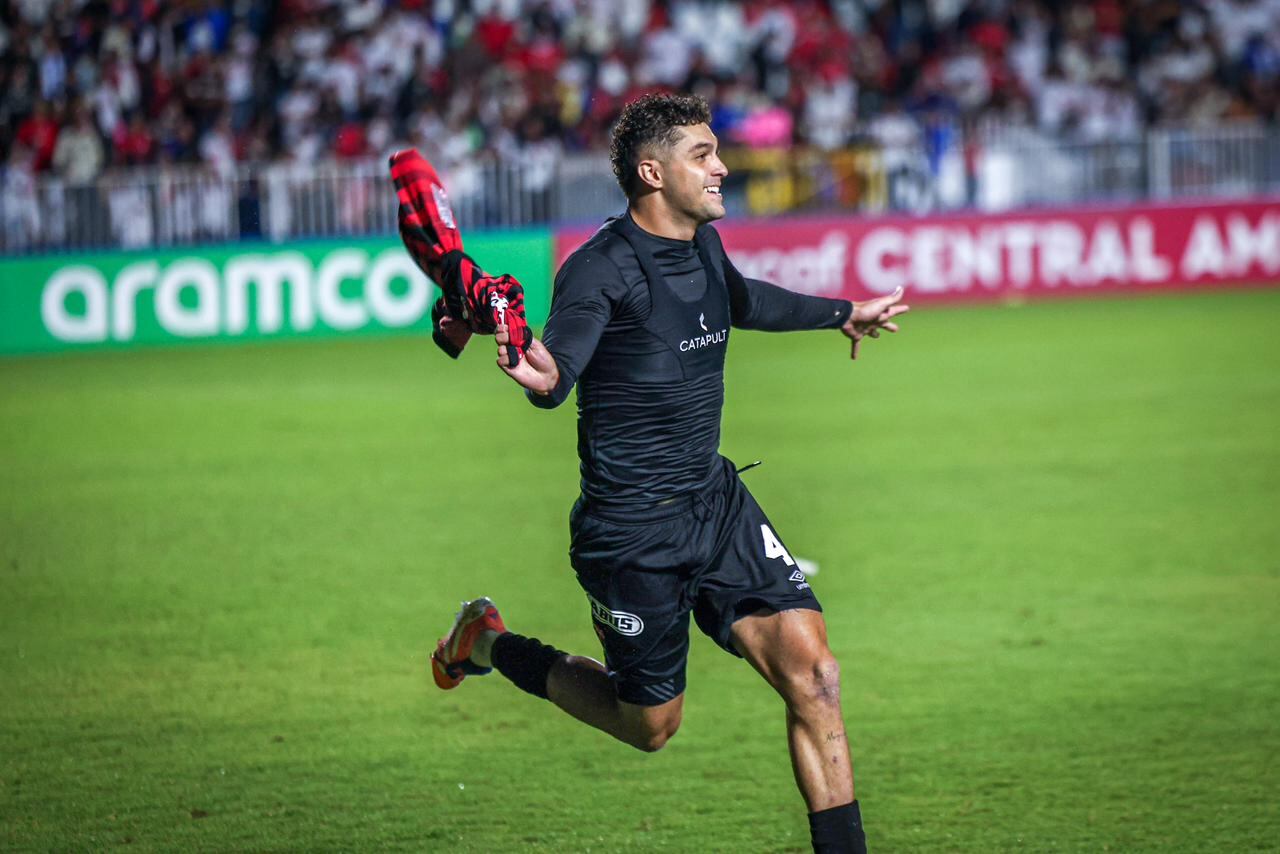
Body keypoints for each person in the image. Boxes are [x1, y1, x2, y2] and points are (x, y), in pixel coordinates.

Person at [430, 93, 908, 854]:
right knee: (649, 725)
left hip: (715, 505)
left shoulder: (703, 245)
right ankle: (486, 641)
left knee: (816, 677)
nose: (723, 168)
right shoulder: (599, 268)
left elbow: (744, 300)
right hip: (631, 533)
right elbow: (555, 375)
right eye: (702, 154)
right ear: (653, 173)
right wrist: (526, 359)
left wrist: (841, 311)